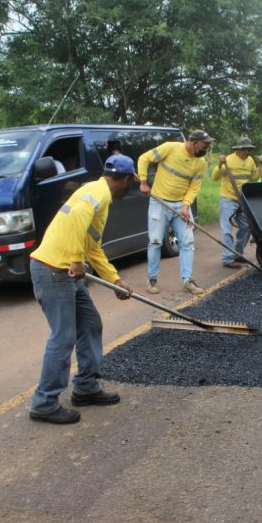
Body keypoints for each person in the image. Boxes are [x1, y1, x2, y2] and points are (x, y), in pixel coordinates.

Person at [27, 155, 136, 425]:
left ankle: (86, 387)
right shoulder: (98, 192)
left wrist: (115, 280)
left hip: (67, 272)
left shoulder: (96, 192)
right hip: (54, 270)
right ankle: (44, 403)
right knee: (63, 338)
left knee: (89, 325)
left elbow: (93, 247)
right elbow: (77, 217)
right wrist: (76, 259)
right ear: (127, 179)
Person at [137, 129, 213, 295]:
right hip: (159, 202)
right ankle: (152, 280)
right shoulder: (170, 148)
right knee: (155, 241)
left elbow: (194, 187)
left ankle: (188, 281)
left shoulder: (199, 163)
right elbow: (144, 158)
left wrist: (186, 206)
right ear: (194, 143)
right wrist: (143, 181)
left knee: (187, 242)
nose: (206, 149)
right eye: (204, 145)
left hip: (180, 206)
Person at [212, 136, 262, 268]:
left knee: (246, 227)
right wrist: (220, 164)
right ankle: (227, 259)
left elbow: (254, 177)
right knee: (227, 229)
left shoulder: (250, 160)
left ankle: (237, 254)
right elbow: (214, 177)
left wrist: (260, 165)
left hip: (242, 199)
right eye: (244, 149)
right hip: (228, 198)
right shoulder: (228, 160)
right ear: (238, 149)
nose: (246, 152)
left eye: (248, 149)